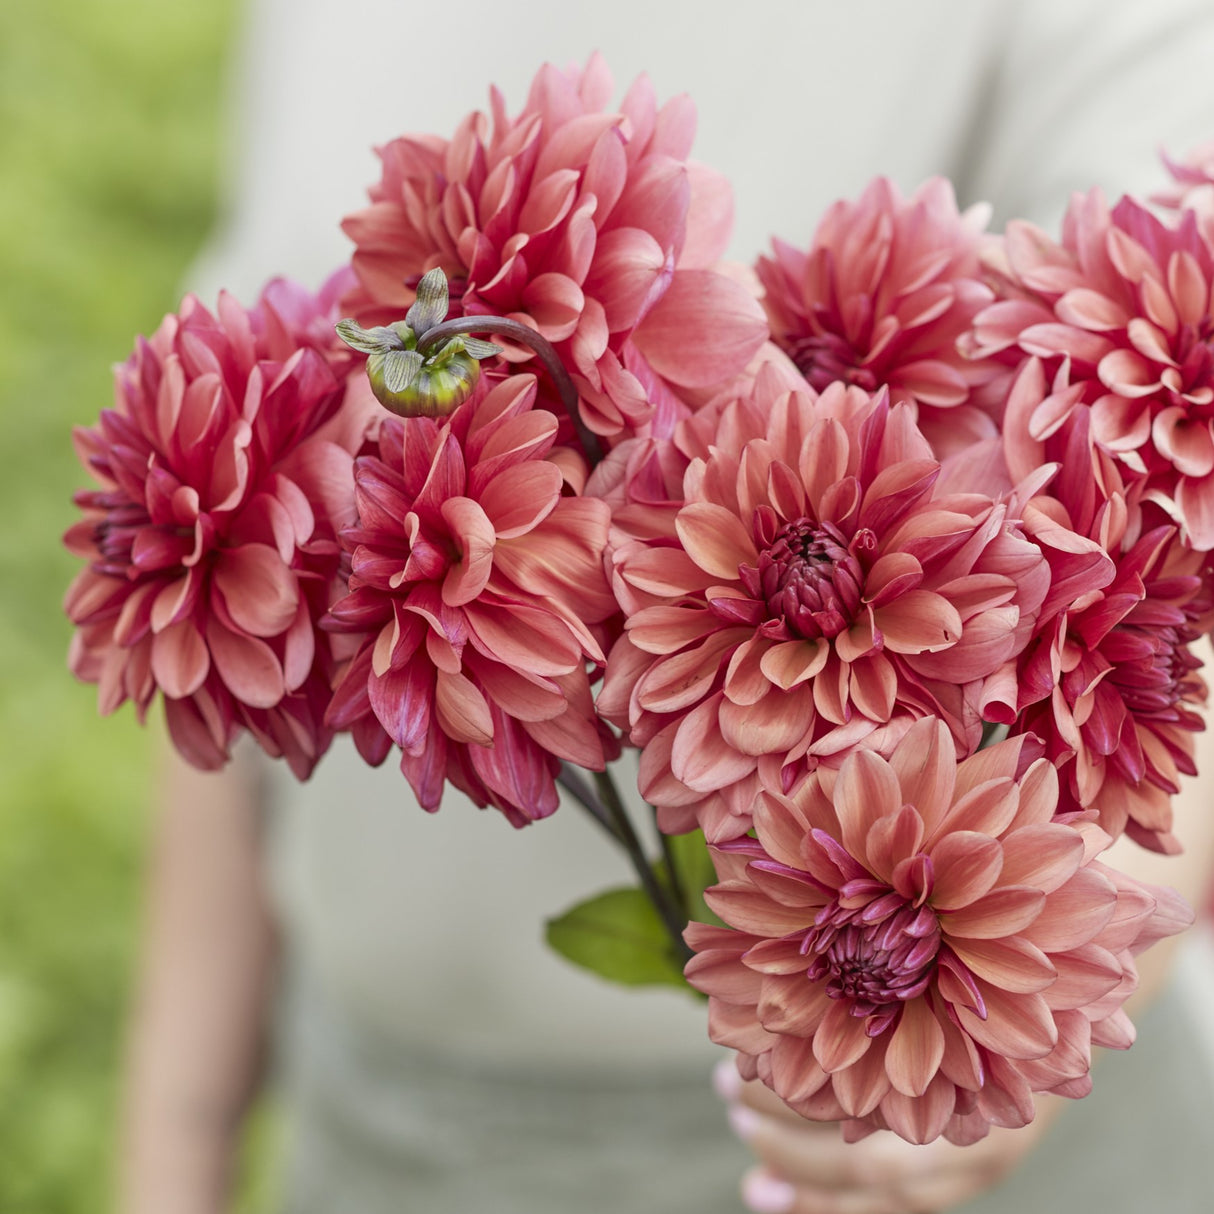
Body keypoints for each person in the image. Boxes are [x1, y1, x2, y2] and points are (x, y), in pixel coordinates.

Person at [116, 2, 1214, 1211]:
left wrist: (1020, 997)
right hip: (394, 1131)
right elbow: (244, 610)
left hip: (931, 1144)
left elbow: (1171, 518)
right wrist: (176, 1141)